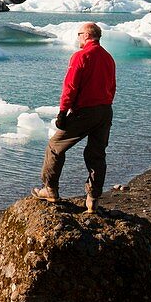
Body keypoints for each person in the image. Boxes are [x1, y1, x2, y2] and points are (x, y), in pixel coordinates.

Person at [32, 22, 116, 213]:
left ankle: (50, 189)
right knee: (96, 154)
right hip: (105, 110)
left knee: (55, 146)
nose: (77, 38)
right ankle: (93, 200)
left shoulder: (81, 56)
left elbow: (70, 87)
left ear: (86, 35)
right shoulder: (108, 58)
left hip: (85, 111)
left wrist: (63, 112)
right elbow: (112, 86)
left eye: (79, 34)